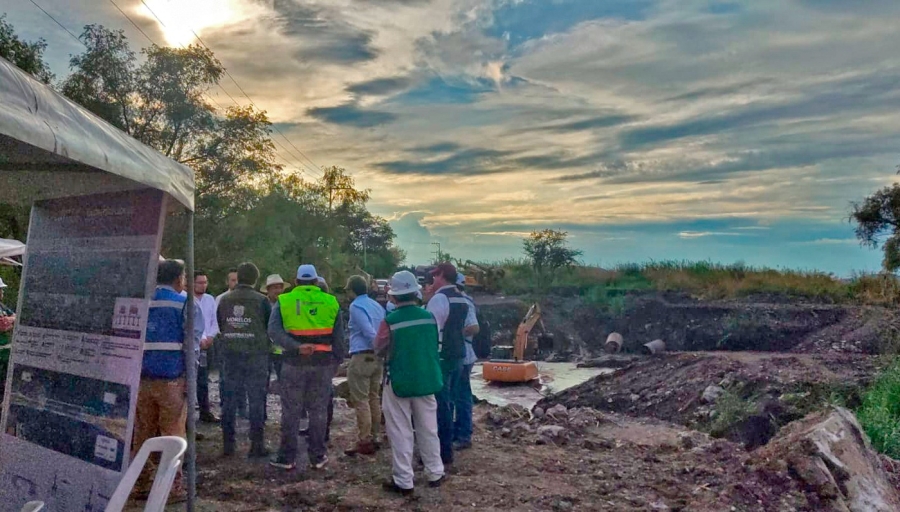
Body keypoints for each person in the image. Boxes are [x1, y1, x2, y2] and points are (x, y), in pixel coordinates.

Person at [133, 260, 207, 502]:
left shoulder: (142, 301)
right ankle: (172, 489)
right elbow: (192, 346)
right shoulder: (186, 303)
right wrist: (190, 380)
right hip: (172, 380)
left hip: (141, 379)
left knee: (142, 432)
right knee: (173, 434)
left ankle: (141, 483)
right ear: (179, 279)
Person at [268, 264, 344, 471]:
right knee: (318, 411)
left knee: (291, 411)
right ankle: (318, 456)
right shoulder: (331, 302)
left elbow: (273, 331)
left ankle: (287, 457)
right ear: (316, 281)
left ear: (296, 281)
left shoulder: (284, 300)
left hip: (293, 363)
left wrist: (296, 346)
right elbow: (339, 338)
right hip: (322, 364)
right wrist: (336, 362)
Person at [375, 270, 445, 495]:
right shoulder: (429, 317)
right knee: (428, 428)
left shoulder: (390, 321)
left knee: (400, 430)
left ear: (394, 296)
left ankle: (404, 481)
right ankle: (435, 472)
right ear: (415, 292)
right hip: (427, 378)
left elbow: (378, 348)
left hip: (398, 381)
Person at [217, 262, 272, 457]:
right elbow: (269, 326)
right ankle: (256, 445)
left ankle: (228, 445)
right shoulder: (261, 300)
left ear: (238, 277)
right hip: (256, 355)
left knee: (229, 400)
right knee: (256, 400)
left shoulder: (224, 300)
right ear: (256, 279)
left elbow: (221, 324)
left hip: (231, 354)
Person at [425, 262, 478, 466]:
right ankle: (451, 445)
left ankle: (442, 451)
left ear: (443, 276)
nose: (432, 280)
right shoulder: (461, 299)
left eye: (435, 276)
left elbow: (431, 329)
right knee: (451, 401)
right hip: (458, 356)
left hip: (443, 358)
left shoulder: (440, 299)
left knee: (441, 405)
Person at [344, 275, 385, 456]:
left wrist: (374, 344)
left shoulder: (356, 306)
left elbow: (368, 331)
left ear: (352, 290)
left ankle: (364, 440)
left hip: (362, 356)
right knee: (374, 397)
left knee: (360, 400)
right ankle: (376, 436)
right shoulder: (376, 305)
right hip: (378, 358)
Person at [453, 274, 479, 450]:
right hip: (463, 354)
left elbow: (474, 327)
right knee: (458, 395)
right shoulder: (462, 300)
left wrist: (453, 335)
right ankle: (460, 430)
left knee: (461, 395)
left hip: (464, 355)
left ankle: (464, 434)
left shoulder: (464, 302)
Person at [193, 271, 220, 423]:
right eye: (200, 282)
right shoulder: (186, 298)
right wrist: (201, 339)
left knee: (204, 379)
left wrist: (211, 336)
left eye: (205, 282)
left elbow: (214, 320)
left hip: (207, 343)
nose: (203, 285)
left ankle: (205, 411)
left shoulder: (210, 299)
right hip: (193, 344)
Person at [262, 274, 289, 381]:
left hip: (282, 348)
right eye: (275, 287)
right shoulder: (261, 303)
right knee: (263, 379)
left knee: (284, 378)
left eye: (280, 287)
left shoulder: (287, 303)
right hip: (264, 348)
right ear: (268, 290)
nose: (278, 290)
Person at [0, 278, 14, 402]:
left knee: (6, 384)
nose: (2, 293)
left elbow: (15, 315)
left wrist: (10, 321)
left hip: (6, 355)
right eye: (1, 290)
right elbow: (2, 326)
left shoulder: (2, 306)